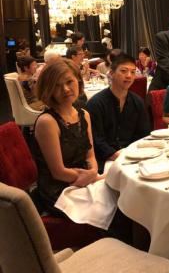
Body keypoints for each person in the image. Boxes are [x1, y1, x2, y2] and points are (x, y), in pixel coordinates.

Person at [31, 59, 99, 215]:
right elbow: (58, 172)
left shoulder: (84, 115)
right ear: (49, 89)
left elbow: (90, 155)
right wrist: (90, 177)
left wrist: (93, 172)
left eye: (69, 81)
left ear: (78, 81)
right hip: (58, 189)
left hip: (82, 179)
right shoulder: (47, 122)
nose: (66, 89)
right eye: (57, 85)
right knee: (113, 205)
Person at [87, 53, 150, 173]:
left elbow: (143, 134)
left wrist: (133, 154)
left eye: (133, 72)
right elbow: (96, 140)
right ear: (111, 73)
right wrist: (116, 155)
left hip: (133, 157)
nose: (129, 76)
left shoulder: (137, 102)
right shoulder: (96, 103)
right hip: (104, 159)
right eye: (123, 71)